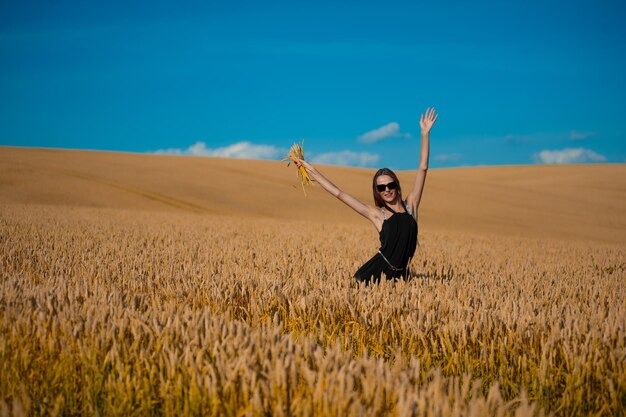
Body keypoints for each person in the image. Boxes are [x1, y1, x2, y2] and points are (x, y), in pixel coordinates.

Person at [294, 107, 438, 284]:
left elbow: (423, 168)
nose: (387, 189)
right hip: (374, 275)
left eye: (390, 185)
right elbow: (339, 193)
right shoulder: (378, 214)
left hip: (402, 277)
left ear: (397, 186)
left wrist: (425, 134)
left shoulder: (412, 206)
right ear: (377, 192)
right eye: (381, 187)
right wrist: (313, 172)